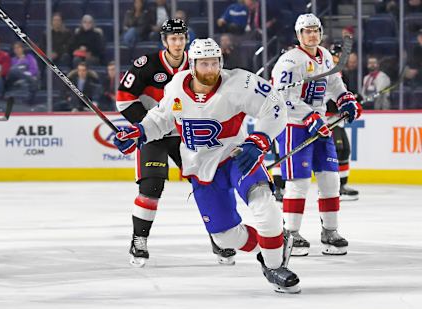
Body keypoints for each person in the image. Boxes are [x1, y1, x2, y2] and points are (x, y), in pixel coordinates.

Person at [114, 38, 300, 294]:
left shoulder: (240, 83)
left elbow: (275, 106)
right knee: (225, 237)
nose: (210, 69)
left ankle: (275, 266)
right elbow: (162, 118)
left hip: (236, 157)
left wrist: (260, 139)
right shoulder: (177, 87)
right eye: (204, 64)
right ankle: (275, 244)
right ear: (192, 65)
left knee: (263, 203)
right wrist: (139, 132)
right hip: (201, 169)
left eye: (214, 63)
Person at [116, 19, 236, 268]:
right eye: (173, 38)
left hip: (188, 136)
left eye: (182, 37)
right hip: (156, 137)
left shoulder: (198, 64)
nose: (178, 42)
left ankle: (220, 237)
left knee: (207, 185)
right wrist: (148, 125)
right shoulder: (146, 65)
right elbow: (124, 99)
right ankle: (139, 240)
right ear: (165, 41)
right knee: (151, 187)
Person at [271, 14, 362, 256]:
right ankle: (290, 233)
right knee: (298, 183)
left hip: (320, 125)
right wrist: (309, 116)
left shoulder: (324, 56)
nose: (312, 35)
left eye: (315, 30)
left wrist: (346, 99)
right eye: (306, 31)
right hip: (293, 126)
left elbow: (334, 85)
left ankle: (329, 231)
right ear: (298, 35)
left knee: (331, 180)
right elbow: (281, 96)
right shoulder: (289, 61)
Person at [328, 43, 359, 201]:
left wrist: (354, 99)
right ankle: (336, 188)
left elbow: (345, 94)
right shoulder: (326, 72)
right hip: (327, 119)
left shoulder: (343, 75)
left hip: (337, 119)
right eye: (338, 55)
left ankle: (342, 186)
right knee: (338, 149)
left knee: (345, 149)